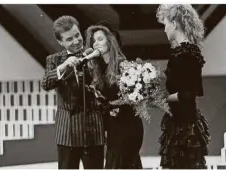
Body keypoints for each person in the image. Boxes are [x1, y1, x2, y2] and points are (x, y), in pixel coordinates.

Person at [41, 15, 105, 169]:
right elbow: (46, 84)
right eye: (69, 39)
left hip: (94, 131)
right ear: (60, 42)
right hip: (67, 133)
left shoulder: (95, 54)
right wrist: (63, 67)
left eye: (77, 35)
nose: (76, 41)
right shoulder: (54, 60)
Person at [156, 5, 211, 169]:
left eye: (165, 24)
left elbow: (189, 93)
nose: (165, 29)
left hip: (185, 126)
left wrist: (162, 98)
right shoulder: (179, 51)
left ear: (174, 23)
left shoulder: (188, 53)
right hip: (177, 122)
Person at [85, 24, 144, 169]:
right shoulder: (97, 70)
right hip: (113, 128)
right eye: (93, 41)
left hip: (128, 126)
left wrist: (113, 105)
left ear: (109, 41)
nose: (96, 43)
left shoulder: (122, 64)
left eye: (100, 39)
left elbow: (135, 97)